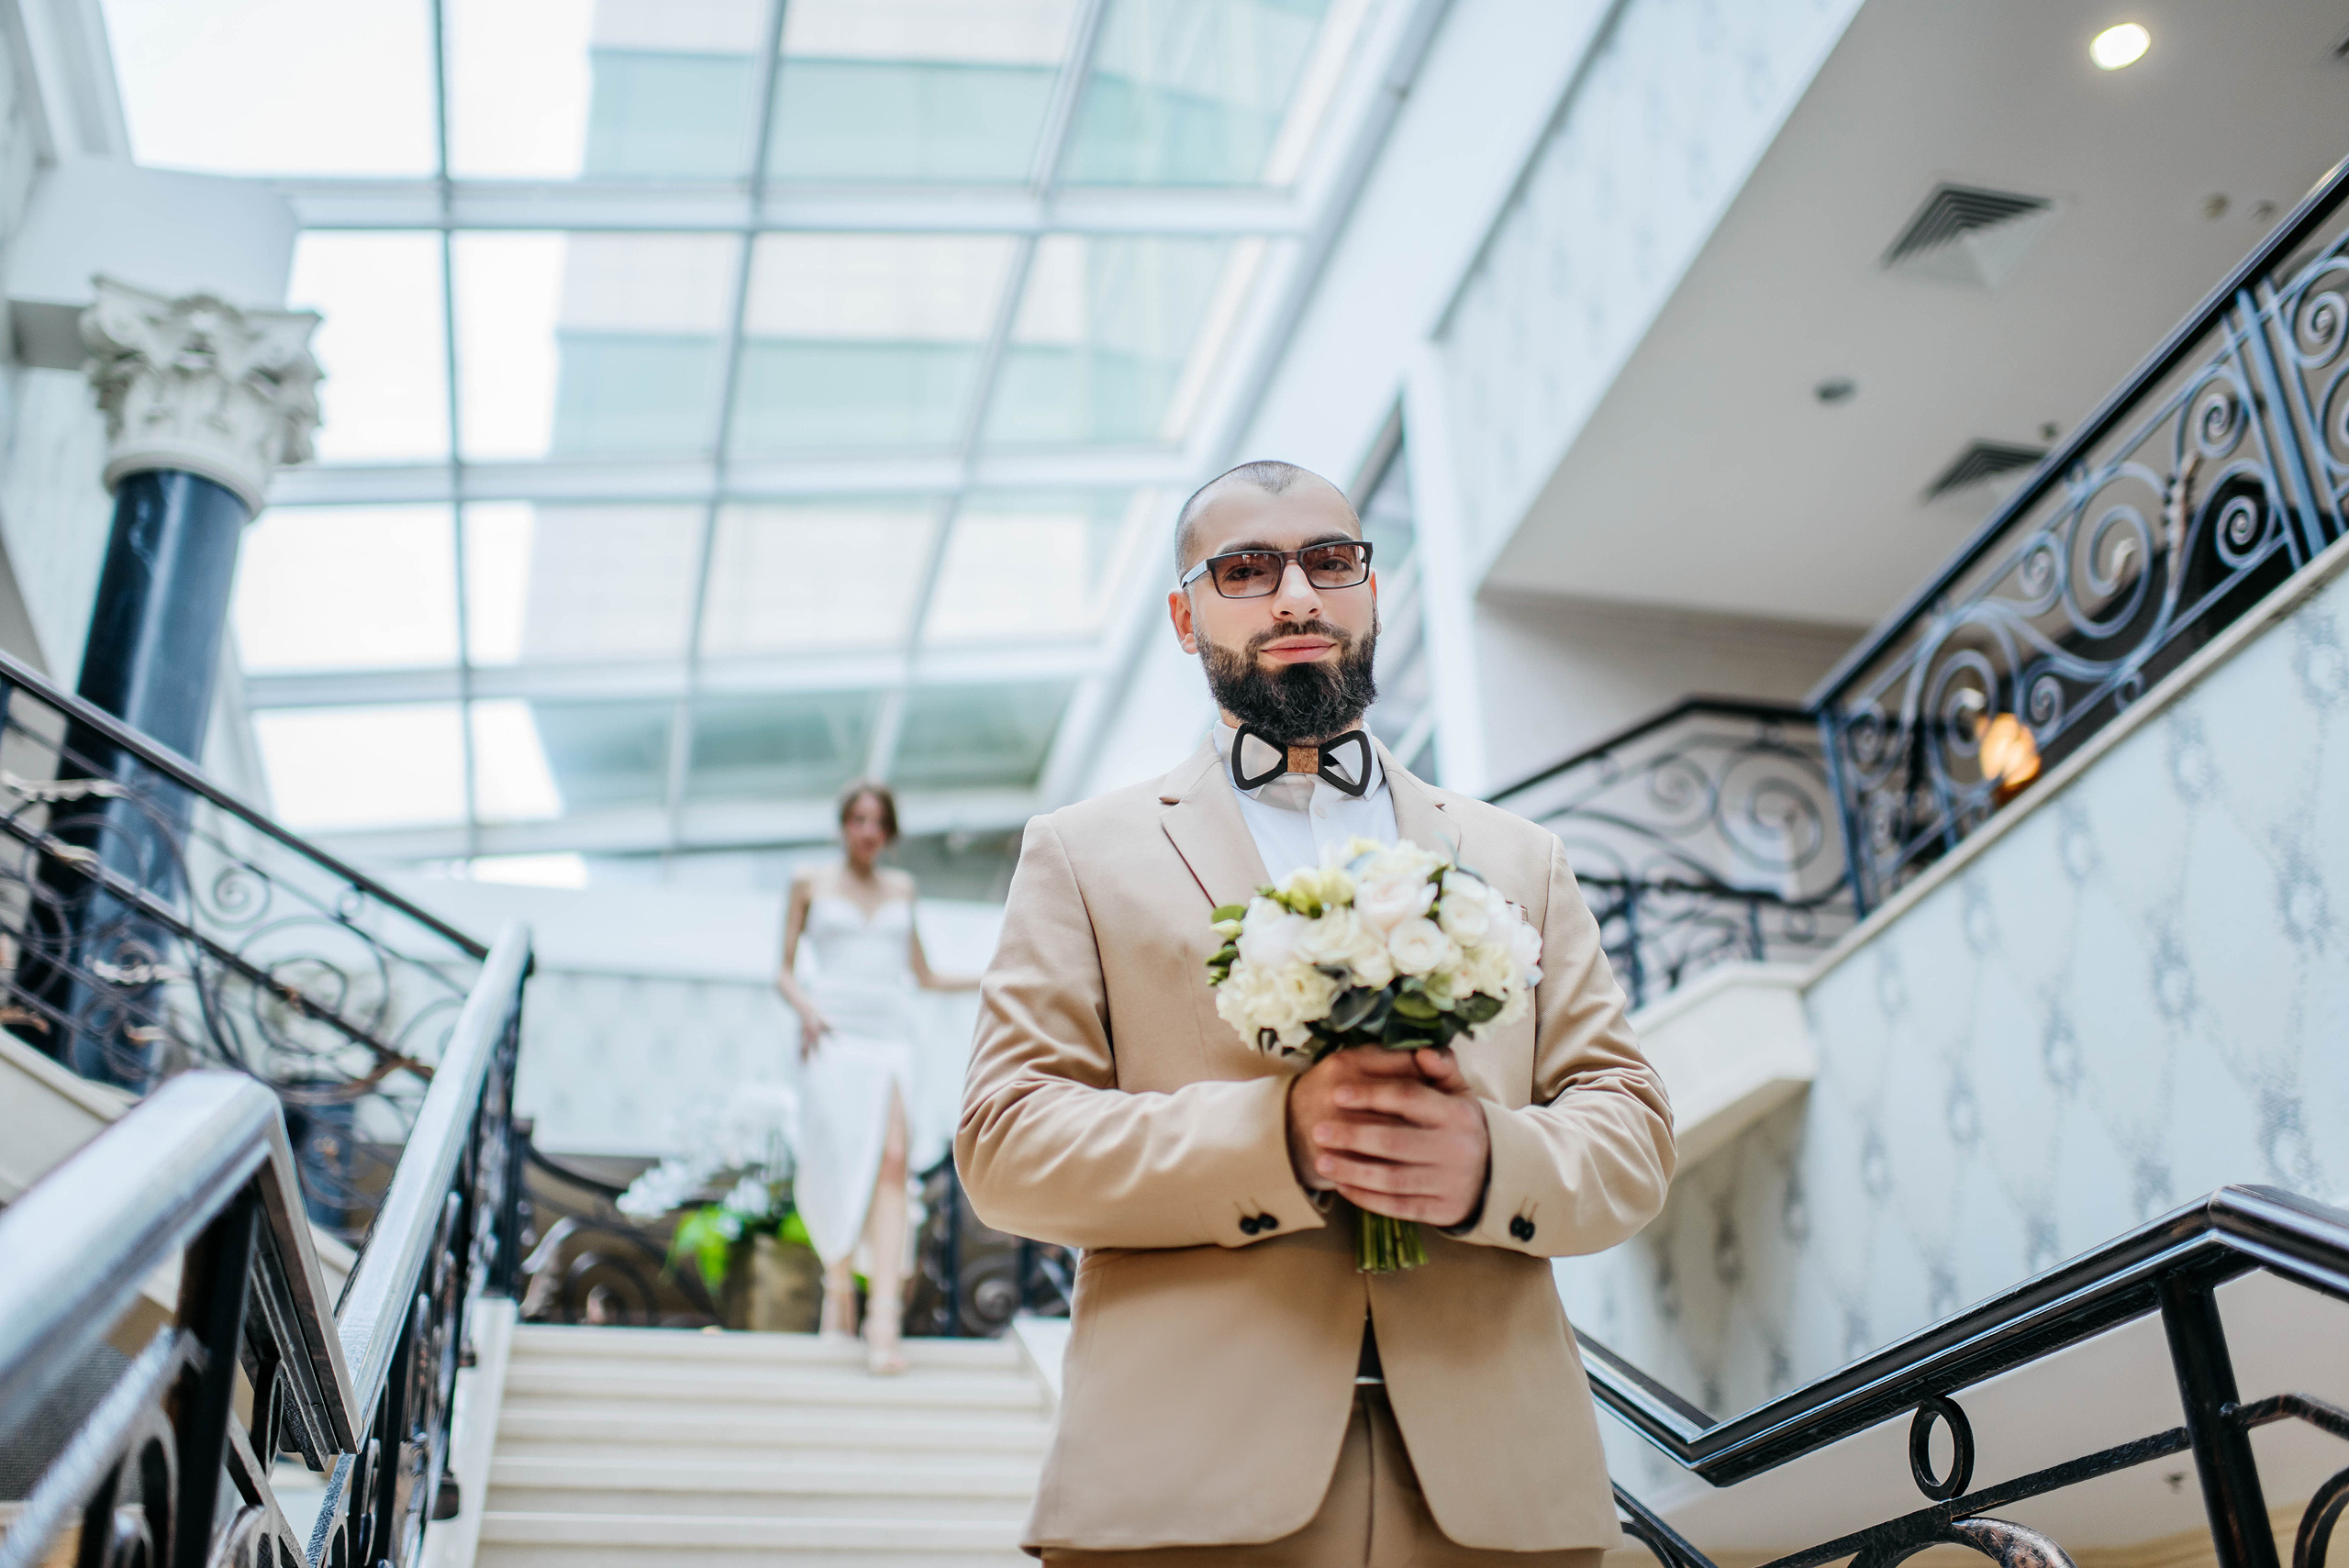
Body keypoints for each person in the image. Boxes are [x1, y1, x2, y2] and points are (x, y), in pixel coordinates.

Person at [956, 460, 1675, 1563]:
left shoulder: (1520, 856)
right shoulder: (1079, 852)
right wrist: (1277, 1139)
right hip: (1184, 1489)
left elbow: (1627, 1124)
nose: (1296, 595)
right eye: (1246, 568)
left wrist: (1492, 1158)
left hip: (1502, 1501)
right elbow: (1006, 1140)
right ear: (1183, 613)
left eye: (1329, 560)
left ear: (1371, 592)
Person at [778, 779, 976, 1375]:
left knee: (894, 1155)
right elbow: (783, 970)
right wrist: (809, 1011)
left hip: (891, 1038)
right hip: (833, 1037)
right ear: (843, 823)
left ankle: (882, 1318)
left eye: (878, 821)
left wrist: (995, 974)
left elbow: (923, 971)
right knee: (843, 1163)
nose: (867, 830)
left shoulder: (902, 887)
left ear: (888, 832)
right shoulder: (807, 882)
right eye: (858, 819)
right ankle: (838, 1289)